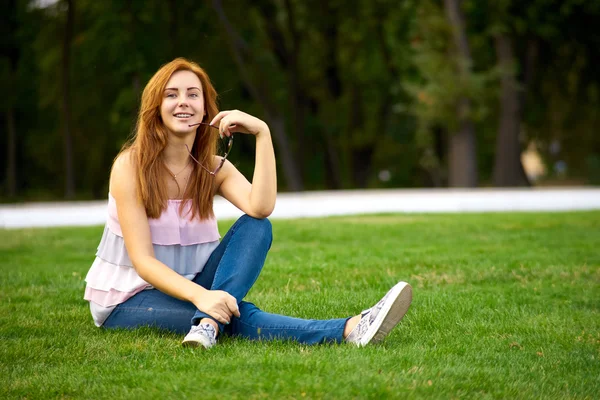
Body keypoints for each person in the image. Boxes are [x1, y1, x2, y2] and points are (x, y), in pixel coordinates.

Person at [83, 57, 412, 348]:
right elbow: (143, 262)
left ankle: (207, 326)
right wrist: (205, 298)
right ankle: (349, 329)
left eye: (192, 94)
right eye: (172, 95)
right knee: (238, 318)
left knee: (257, 227)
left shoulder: (213, 168)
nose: (183, 102)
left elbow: (260, 207)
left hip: (193, 285)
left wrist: (262, 133)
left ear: (206, 107)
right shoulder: (130, 166)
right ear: (155, 107)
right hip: (130, 298)